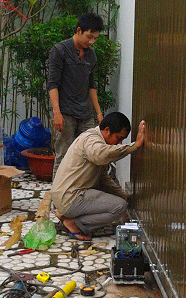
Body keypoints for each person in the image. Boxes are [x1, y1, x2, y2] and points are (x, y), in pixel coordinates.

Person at [51, 112, 146, 241]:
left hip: (64, 197)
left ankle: (69, 217)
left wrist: (121, 194)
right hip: (70, 198)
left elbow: (102, 177)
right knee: (120, 207)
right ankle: (73, 223)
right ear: (107, 130)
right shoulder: (92, 140)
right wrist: (134, 146)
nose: (118, 143)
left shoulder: (93, 138)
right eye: (118, 138)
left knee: (118, 200)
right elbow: (102, 155)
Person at [47, 12, 105, 178]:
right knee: (63, 157)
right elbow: (52, 84)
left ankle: (81, 190)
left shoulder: (91, 55)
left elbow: (91, 86)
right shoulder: (60, 50)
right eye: (89, 37)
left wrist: (99, 114)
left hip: (86, 115)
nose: (91, 41)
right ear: (79, 30)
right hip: (66, 114)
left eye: (95, 38)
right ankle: (58, 193)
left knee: (89, 156)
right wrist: (57, 113)